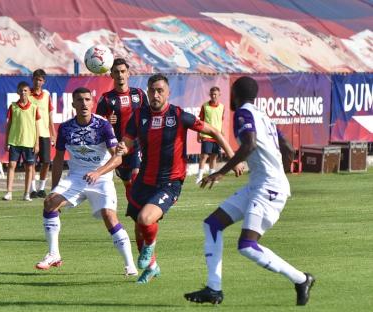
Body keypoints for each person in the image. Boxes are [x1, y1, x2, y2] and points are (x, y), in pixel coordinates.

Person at [184, 76, 315, 306]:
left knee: (247, 245)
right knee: (212, 224)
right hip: (261, 184)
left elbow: (250, 144)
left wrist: (221, 172)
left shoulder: (244, 113)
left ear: (236, 94)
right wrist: (277, 170)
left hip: (268, 188)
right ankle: (213, 289)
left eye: (231, 92)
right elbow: (288, 149)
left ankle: (301, 279)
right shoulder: (262, 115)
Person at [113, 74, 244, 284]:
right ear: (147, 92)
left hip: (169, 182)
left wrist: (234, 158)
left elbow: (214, 132)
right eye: (152, 90)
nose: (155, 95)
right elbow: (127, 143)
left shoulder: (179, 115)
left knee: (146, 219)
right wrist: (122, 147)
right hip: (144, 181)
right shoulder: (138, 116)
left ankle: (150, 250)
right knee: (139, 227)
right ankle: (153, 267)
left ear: (168, 93)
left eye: (160, 91)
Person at [35, 87, 138, 276]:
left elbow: (118, 158)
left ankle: (130, 264)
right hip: (76, 177)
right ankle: (53, 254)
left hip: (102, 178)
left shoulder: (103, 125)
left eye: (87, 99)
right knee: (50, 203)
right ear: (73, 104)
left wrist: (98, 172)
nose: (84, 103)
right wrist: (54, 188)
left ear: (92, 103)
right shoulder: (65, 127)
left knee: (109, 216)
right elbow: (58, 159)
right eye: (79, 100)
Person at [96, 58, 148, 199]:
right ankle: (134, 208)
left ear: (128, 73)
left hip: (136, 144)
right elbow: (96, 126)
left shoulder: (139, 94)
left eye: (123, 71)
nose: (120, 75)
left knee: (136, 177)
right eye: (116, 72)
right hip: (117, 147)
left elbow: (148, 117)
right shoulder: (106, 99)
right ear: (112, 75)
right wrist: (107, 122)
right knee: (128, 183)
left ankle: (141, 209)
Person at [3, 81, 40, 201]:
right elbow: (9, 125)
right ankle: (9, 192)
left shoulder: (34, 108)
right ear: (17, 92)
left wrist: (37, 143)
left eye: (25, 90)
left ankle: (26, 193)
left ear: (29, 92)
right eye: (21, 90)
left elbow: (37, 126)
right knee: (11, 165)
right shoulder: (13, 106)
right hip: (15, 141)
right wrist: (6, 141)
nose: (23, 92)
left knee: (29, 167)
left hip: (29, 142)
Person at [29, 69, 56, 199]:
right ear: (32, 79)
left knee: (46, 162)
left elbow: (50, 116)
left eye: (40, 80)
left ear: (44, 81)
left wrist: (53, 133)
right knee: (31, 163)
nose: (37, 82)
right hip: (30, 134)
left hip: (45, 133)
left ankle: (41, 188)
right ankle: (32, 189)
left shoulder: (46, 95)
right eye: (35, 79)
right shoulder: (26, 94)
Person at [196, 86, 225, 184]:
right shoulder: (205, 106)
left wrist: (222, 132)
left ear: (219, 95)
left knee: (214, 157)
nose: (214, 96)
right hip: (206, 135)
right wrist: (198, 134)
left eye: (216, 94)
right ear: (210, 95)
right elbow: (200, 121)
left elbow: (221, 120)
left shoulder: (222, 107)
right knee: (204, 156)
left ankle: (212, 178)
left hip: (217, 136)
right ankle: (199, 177)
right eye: (212, 94)